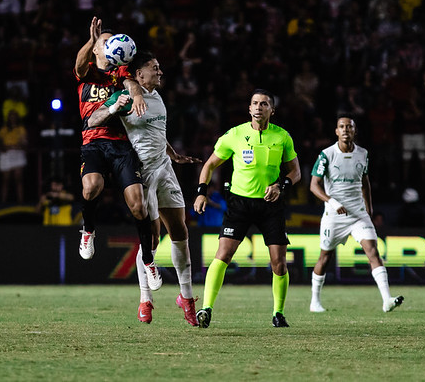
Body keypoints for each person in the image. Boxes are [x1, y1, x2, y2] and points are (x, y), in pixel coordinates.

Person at [89, 50, 201, 326]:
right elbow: (92, 120)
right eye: (155, 68)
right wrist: (115, 107)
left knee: (180, 231)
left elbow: (157, 134)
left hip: (165, 168)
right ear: (138, 74)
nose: (160, 72)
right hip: (143, 173)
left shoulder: (158, 97)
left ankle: (186, 297)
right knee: (151, 239)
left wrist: (174, 154)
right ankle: (145, 298)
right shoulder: (126, 96)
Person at [193, 89, 301, 328]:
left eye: (264, 103)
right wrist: (201, 192)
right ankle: (206, 309)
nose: (259, 107)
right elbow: (210, 165)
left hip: (271, 204)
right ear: (249, 109)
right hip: (239, 203)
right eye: (255, 103)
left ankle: (278, 313)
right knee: (223, 255)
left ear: (272, 110)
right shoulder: (234, 135)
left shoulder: (282, 137)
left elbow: (296, 172)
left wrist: (281, 185)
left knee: (279, 263)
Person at [74, 17, 161, 290]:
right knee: (91, 187)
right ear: (97, 50)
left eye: (112, 41)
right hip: (93, 142)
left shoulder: (120, 73)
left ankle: (148, 261)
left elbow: (132, 84)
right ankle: (88, 230)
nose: (109, 45)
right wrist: (91, 40)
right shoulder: (87, 71)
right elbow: (77, 65)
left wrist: (135, 95)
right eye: (104, 42)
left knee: (138, 205)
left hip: (121, 143)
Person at [308, 115, 404, 313]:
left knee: (373, 251)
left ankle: (387, 299)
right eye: (341, 127)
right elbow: (313, 185)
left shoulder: (363, 153)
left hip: (358, 214)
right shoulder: (327, 154)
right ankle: (314, 301)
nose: (345, 130)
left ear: (354, 131)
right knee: (325, 258)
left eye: (349, 127)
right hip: (334, 216)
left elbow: (365, 181)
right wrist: (332, 202)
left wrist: (369, 208)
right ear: (336, 131)